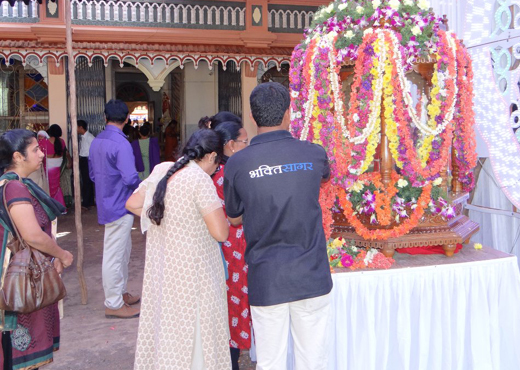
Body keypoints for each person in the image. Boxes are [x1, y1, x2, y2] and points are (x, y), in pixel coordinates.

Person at [223, 82, 333, 370]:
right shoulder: (313, 153)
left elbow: (233, 217)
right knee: (314, 361)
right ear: (288, 113)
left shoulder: (237, 163)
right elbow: (323, 177)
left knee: (270, 362)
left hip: (266, 277)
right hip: (311, 275)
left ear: (252, 115)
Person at [126, 129, 231, 370]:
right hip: (194, 274)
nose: (217, 169)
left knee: (168, 328)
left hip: (164, 269)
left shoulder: (162, 169)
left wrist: (166, 222)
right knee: (194, 332)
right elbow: (221, 233)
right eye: (218, 163)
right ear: (212, 155)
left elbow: (132, 204)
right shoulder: (199, 180)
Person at [0, 129, 73, 369]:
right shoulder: (14, 189)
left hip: (26, 274)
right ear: (18, 157)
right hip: (23, 280)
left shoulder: (20, 184)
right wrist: (61, 254)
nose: (42, 154)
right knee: (19, 356)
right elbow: (32, 235)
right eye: (35, 150)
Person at [89, 99, 141, 319]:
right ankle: (113, 302)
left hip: (106, 200)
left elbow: (92, 174)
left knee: (121, 252)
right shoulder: (121, 144)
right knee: (114, 255)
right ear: (127, 119)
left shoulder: (97, 141)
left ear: (104, 117)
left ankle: (119, 294)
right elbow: (130, 177)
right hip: (120, 204)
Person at [213, 122, 251, 370]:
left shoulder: (224, 170)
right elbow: (235, 215)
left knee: (234, 302)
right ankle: (231, 359)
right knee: (234, 302)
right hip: (232, 249)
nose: (247, 146)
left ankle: (233, 355)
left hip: (236, 246)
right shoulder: (226, 174)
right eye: (244, 142)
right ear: (230, 145)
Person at [41, 124, 71, 208]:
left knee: (48, 185)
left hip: (49, 164)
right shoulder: (62, 141)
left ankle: (51, 206)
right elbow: (66, 153)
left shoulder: (44, 141)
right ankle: (60, 205)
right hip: (58, 163)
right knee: (56, 185)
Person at [77, 120, 95, 210]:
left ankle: (86, 203)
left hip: (87, 160)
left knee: (86, 181)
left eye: (76, 127)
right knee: (87, 180)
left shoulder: (90, 137)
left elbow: (94, 150)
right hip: (83, 159)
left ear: (81, 127)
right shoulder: (83, 137)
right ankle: (90, 201)